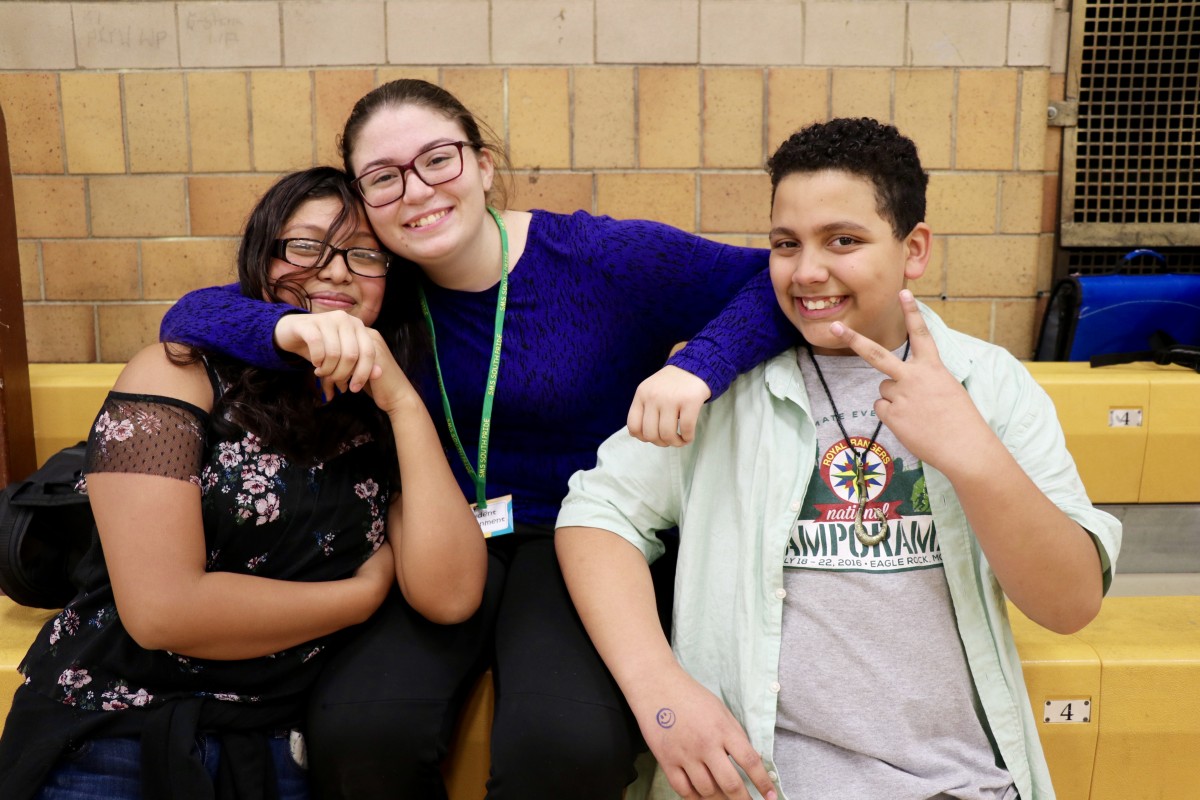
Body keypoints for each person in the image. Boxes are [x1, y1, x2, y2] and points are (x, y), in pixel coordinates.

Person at [155, 79, 797, 798]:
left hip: (584, 536)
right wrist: (285, 328)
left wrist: (696, 367)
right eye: (384, 178)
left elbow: (777, 283)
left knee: (563, 746)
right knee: (360, 733)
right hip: (433, 538)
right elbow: (192, 312)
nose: (416, 191)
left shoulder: (599, 257)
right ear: (363, 201)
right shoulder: (378, 283)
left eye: (439, 160)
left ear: (484, 164)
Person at [555, 117, 1122, 800]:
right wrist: (661, 696)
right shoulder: (730, 383)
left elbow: (1068, 604)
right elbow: (597, 513)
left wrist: (973, 454)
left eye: (843, 241)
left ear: (914, 250)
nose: (808, 271)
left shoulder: (988, 383)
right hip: (761, 782)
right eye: (785, 244)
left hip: (955, 783)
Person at [0, 167, 486, 800]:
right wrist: (360, 597)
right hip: (115, 727)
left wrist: (403, 402)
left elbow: (448, 595)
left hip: (281, 745)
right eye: (307, 246)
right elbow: (162, 611)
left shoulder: (380, 411)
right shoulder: (179, 375)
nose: (337, 271)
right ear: (262, 260)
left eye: (364, 255)